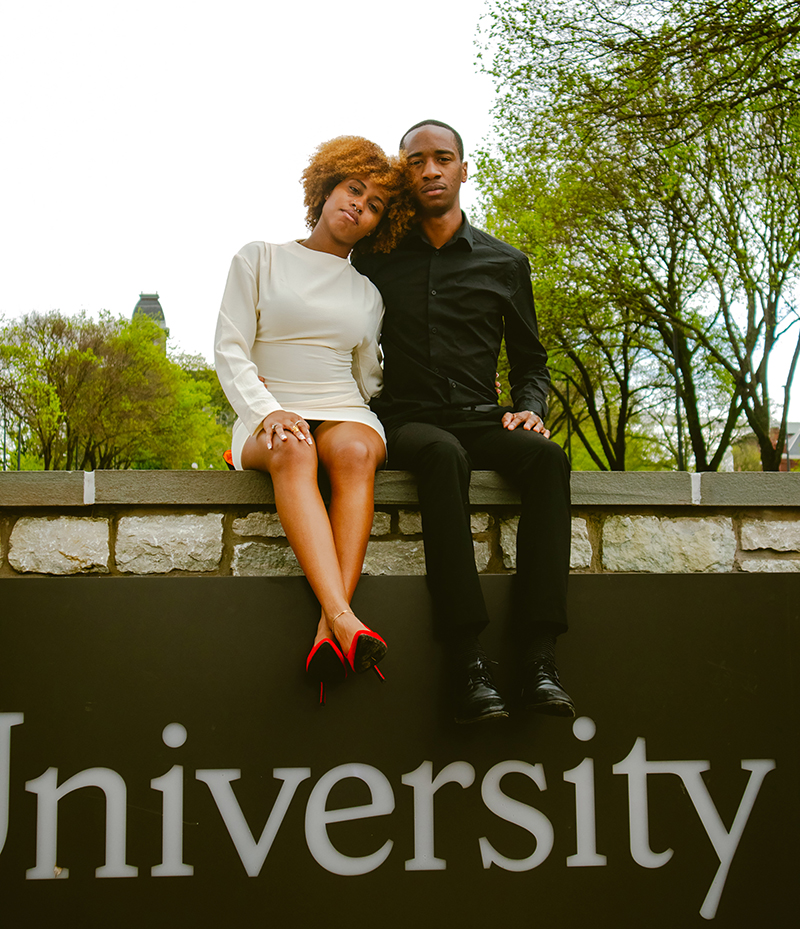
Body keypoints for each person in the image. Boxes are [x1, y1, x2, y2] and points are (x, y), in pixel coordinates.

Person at [353, 119, 574, 724]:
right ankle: (465, 657)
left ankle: (538, 656)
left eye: (442, 158)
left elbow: (532, 362)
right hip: (405, 422)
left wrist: (530, 407)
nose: (430, 170)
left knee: (549, 460)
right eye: (417, 160)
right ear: (404, 172)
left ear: (462, 169)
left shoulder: (506, 263)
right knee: (441, 453)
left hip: (484, 417)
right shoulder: (372, 260)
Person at [215, 136, 413, 701]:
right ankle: (344, 619)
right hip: (270, 411)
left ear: (380, 224)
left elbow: (368, 378)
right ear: (326, 187)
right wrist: (266, 410)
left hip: (342, 406)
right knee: (294, 447)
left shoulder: (368, 293)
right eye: (355, 190)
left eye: (375, 204)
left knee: (352, 452)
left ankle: (334, 631)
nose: (360, 206)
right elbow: (230, 349)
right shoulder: (259, 257)